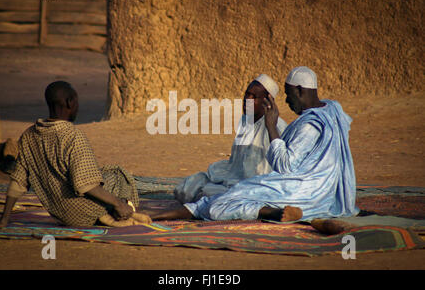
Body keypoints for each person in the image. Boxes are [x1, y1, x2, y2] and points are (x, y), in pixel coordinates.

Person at [150, 66, 359, 222]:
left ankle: (274, 212)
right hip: (312, 189)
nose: (286, 101)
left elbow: (285, 167)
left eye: (288, 94)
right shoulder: (332, 111)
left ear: (300, 90)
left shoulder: (306, 125)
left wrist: (271, 126)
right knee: (199, 187)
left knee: (221, 203)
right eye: (246, 95)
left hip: (297, 188)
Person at [0, 81, 151, 228]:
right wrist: (118, 203)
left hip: (61, 214)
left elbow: (18, 181)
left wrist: (4, 219)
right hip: (84, 214)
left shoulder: (29, 135)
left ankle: (110, 213)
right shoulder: (72, 135)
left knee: (102, 174)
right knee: (118, 174)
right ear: (70, 102)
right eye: (76, 101)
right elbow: (85, 185)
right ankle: (118, 214)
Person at [174, 74, 288, 203]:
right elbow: (236, 162)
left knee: (208, 194)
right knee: (188, 186)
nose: (247, 100)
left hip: (257, 187)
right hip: (234, 178)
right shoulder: (245, 120)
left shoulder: (276, 127)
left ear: (267, 101)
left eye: (254, 97)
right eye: (247, 94)